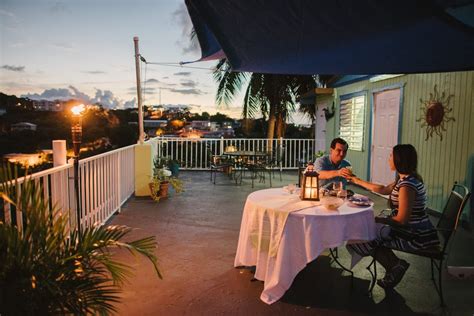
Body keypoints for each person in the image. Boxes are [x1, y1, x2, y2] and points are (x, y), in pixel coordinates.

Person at [347, 144, 439, 289]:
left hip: (415, 236)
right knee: (367, 231)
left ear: (399, 160)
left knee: (363, 233)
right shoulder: (406, 179)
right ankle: (395, 266)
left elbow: (402, 220)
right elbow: (383, 189)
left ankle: (395, 265)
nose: (389, 159)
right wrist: (356, 180)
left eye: (391, 156)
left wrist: (378, 219)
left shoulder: (407, 186)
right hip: (418, 230)